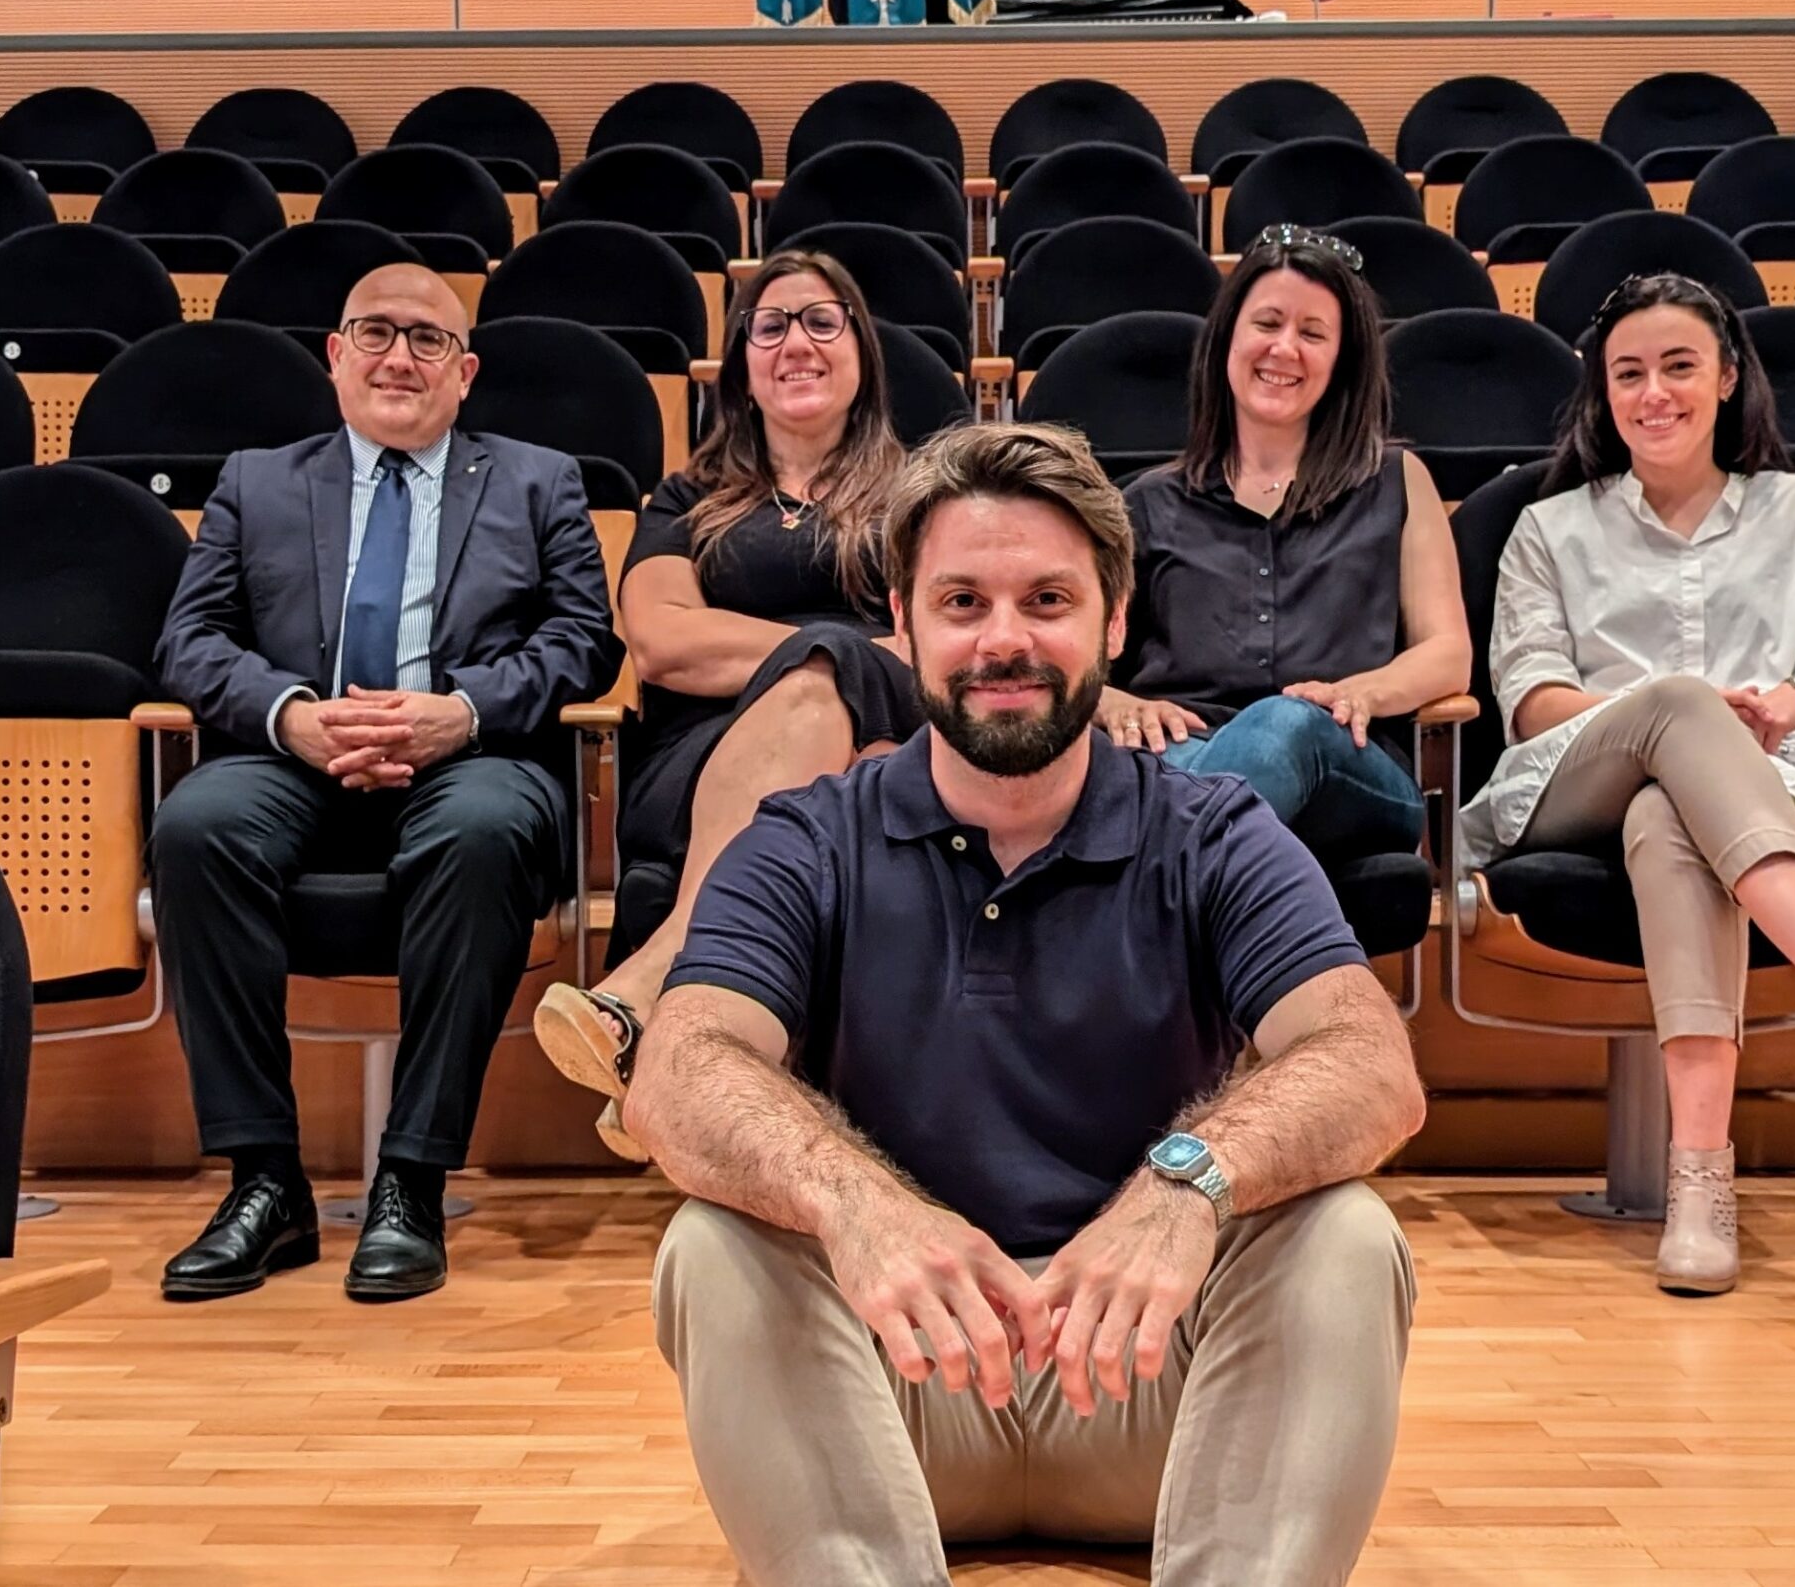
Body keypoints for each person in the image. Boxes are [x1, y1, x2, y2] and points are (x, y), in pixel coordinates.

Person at [603, 421, 1426, 1587]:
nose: (1004, 640)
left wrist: (1185, 1185)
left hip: (1151, 1386)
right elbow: (680, 1067)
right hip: (896, 1396)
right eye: (962, 602)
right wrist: (859, 1204)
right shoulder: (807, 839)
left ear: (1114, 622)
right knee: (713, 1244)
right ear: (902, 623)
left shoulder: (1216, 832)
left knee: (1346, 1236)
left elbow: (1367, 1060)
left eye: (1047, 599)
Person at [1456, 272, 1795, 1296]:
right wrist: (1665, 716)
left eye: (1678, 367)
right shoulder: (1550, 528)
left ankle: (1700, 1190)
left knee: (1669, 815)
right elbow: (1533, 698)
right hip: (1576, 780)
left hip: (1768, 780)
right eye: (1628, 374)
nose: (1654, 394)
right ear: (1603, 391)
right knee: (1675, 720)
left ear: (1728, 377)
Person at [150, 263, 621, 1302]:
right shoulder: (257, 482)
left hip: (471, 760)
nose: (399, 357)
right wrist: (292, 716)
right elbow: (189, 641)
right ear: (335, 354)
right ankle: (264, 1181)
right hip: (294, 760)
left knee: (486, 827)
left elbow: (585, 642)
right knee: (195, 825)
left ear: (465, 372)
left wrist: (463, 710)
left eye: (427, 339)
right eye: (375, 333)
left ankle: (411, 1177)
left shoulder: (538, 481)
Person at [532, 249, 922, 1161]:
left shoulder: (919, 494)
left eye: (822, 320)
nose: (797, 343)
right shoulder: (687, 499)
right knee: (823, 685)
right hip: (705, 760)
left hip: (889, 739)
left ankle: (658, 994)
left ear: (862, 350)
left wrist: (831, 667)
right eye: (770, 325)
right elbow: (663, 641)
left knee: (840, 703)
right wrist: (825, 654)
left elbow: (948, 635)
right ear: (741, 361)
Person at [1100, 224, 1468, 863]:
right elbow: (1074, 666)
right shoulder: (1146, 503)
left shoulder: (1395, 480)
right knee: (1165, 770)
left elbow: (1448, 654)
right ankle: (1196, 887)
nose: (1285, 348)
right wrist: (1115, 703)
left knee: (1282, 722)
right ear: (1228, 338)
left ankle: (1161, 895)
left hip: (1347, 764)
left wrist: (1361, 694)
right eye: (1267, 324)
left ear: (1342, 359)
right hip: (1181, 749)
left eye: (1313, 334)